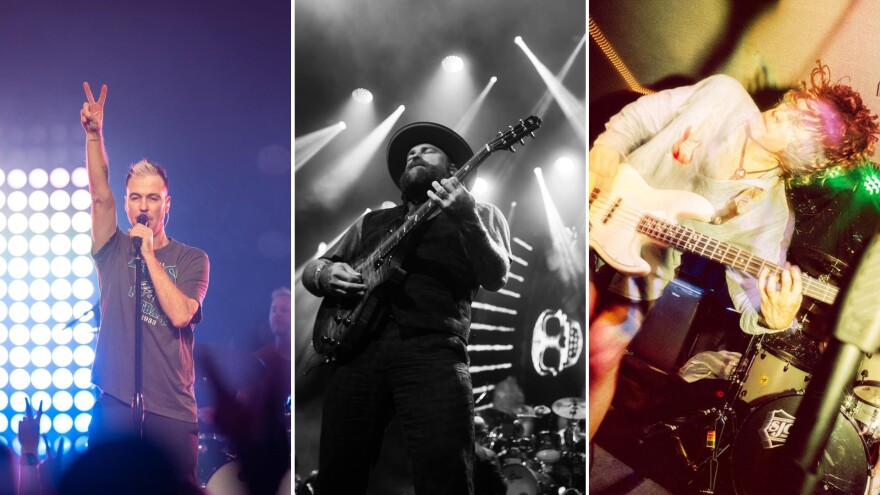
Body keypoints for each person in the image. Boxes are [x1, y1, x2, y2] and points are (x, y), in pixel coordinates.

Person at [588, 61, 879, 440]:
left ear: (811, 158)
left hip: (645, 263)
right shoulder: (722, 95)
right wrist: (607, 147)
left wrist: (774, 317)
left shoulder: (769, 217)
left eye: (800, 121)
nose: (784, 109)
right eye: (797, 102)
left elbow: (751, 297)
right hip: (599, 195)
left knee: (604, 353)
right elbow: (641, 117)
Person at [302, 121, 512, 494]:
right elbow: (314, 268)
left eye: (427, 150)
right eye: (410, 154)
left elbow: (497, 275)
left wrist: (466, 216)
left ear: (452, 170)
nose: (415, 154)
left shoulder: (481, 212)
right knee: (338, 473)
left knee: (445, 473)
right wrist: (327, 273)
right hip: (357, 352)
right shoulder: (371, 221)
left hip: (433, 349)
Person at [81, 82, 210, 486]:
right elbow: (99, 196)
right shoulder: (113, 248)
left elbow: (179, 313)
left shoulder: (192, 259)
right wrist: (93, 136)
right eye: (135, 197)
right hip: (116, 400)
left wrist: (150, 254)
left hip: (170, 408)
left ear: (167, 203)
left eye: (152, 198)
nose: (142, 207)